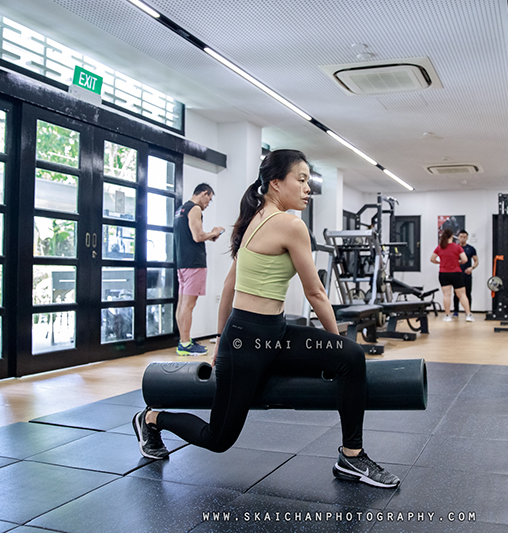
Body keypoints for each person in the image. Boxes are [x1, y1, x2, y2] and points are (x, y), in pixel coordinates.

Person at [133, 149, 400, 489]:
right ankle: (152, 418)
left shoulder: (254, 219)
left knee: (350, 357)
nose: (308, 188)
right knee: (218, 438)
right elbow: (315, 292)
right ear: (275, 183)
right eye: (301, 180)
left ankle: (351, 455)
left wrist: (219, 338)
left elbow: (230, 286)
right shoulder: (290, 224)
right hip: (247, 342)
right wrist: (335, 340)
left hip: (269, 334)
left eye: (308, 181)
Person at [173, 183, 224, 356]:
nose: (207, 204)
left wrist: (209, 237)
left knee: (182, 304)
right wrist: (215, 232)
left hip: (182, 263)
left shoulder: (180, 210)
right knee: (188, 305)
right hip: (194, 263)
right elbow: (198, 236)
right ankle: (186, 344)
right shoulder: (195, 209)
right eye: (208, 200)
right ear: (204, 193)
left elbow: (190, 236)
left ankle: (183, 340)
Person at [431, 228, 472, 322]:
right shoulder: (457, 247)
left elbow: (432, 259)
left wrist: (439, 262)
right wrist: (458, 262)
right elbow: (465, 259)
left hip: (443, 273)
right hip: (456, 273)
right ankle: (468, 315)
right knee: (462, 295)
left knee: (446, 295)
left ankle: (447, 316)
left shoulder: (439, 247)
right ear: (452, 236)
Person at [452, 230, 479, 320]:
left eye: (464, 237)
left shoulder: (471, 249)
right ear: (458, 237)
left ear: (467, 238)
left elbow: (476, 261)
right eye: (461, 237)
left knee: (467, 293)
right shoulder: (454, 248)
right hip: (456, 274)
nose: (463, 239)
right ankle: (456, 311)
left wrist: (472, 268)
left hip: (466, 274)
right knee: (456, 294)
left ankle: (468, 311)